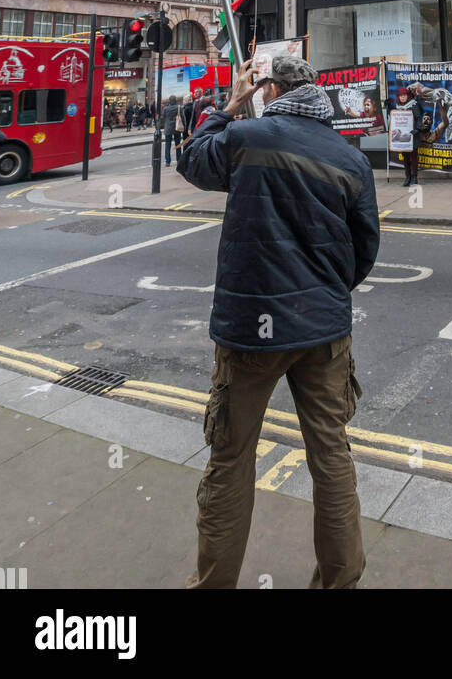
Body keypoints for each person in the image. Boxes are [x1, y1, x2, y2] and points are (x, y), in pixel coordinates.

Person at [177, 54, 379, 590]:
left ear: (270, 89)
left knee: (231, 458)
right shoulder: (348, 157)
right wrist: (323, 294)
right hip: (323, 331)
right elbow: (365, 252)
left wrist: (230, 104)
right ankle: (340, 582)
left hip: (249, 330)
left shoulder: (249, 137)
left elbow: (192, 160)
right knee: (331, 454)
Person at [393, 86, 420, 187]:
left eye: (404, 95)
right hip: (403, 137)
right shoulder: (397, 106)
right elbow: (394, 120)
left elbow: (419, 118)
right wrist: (388, 110)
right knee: (405, 157)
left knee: (413, 157)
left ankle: (414, 177)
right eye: (400, 96)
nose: (402, 97)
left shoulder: (413, 105)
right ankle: (407, 176)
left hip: (413, 134)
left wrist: (417, 129)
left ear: (408, 96)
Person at [162, 95, 181, 166]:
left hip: (168, 128)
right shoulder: (179, 107)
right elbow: (182, 117)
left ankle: (167, 162)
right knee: (178, 145)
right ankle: (178, 160)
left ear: (169, 101)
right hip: (177, 128)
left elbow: (163, 117)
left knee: (167, 145)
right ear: (175, 100)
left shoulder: (165, 108)